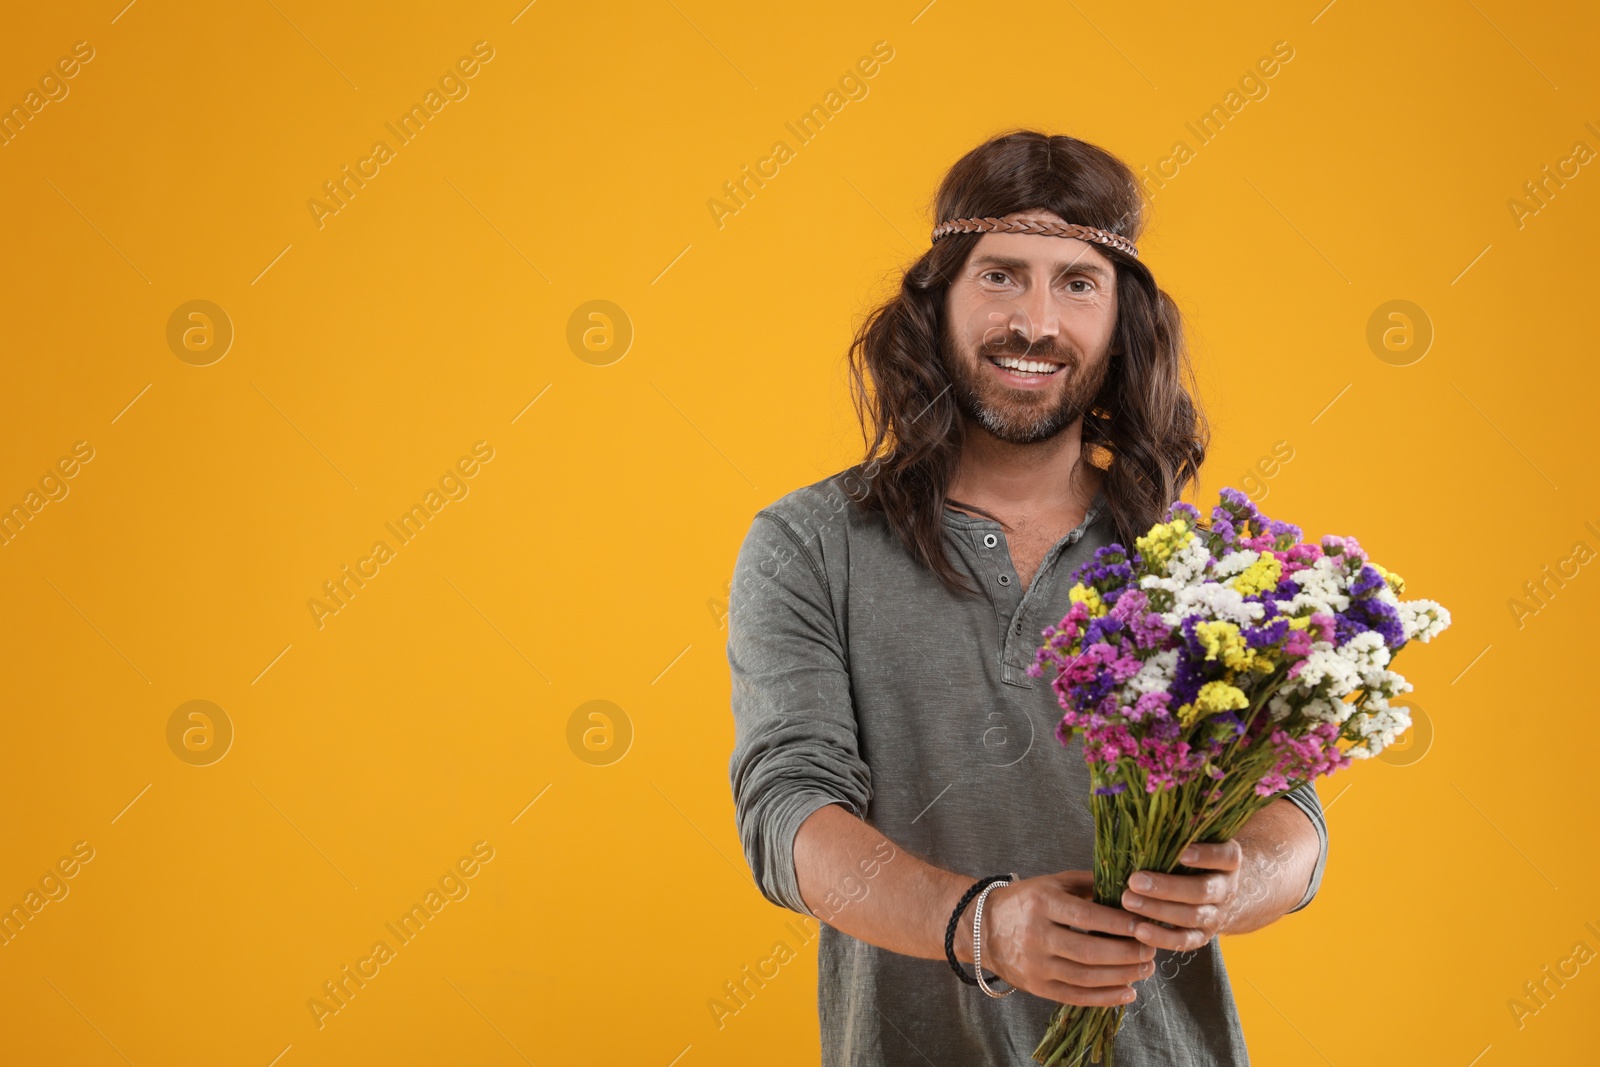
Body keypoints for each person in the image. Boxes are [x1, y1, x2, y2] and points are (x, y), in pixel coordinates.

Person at [725, 129, 1327, 1065]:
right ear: (937, 303)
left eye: (1076, 282)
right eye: (1001, 275)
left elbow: (1290, 809)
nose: (1036, 323)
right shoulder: (810, 544)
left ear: (1123, 316)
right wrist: (982, 925)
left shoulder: (1190, 559)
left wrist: (1235, 881)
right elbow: (788, 813)